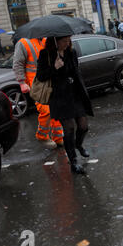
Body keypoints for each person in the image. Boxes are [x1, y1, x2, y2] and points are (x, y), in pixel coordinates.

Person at [36, 36, 94, 174]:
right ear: (55, 41)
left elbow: (76, 70)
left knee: (83, 126)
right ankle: (73, 162)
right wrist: (54, 68)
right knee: (68, 129)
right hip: (59, 98)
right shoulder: (46, 55)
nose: (67, 43)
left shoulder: (71, 52)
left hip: (74, 94)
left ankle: (78, 145)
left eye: (69, 41)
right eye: (64, 41)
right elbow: (41, 76)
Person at [13, 38, 64, 149]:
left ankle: (58, 137)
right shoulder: (24, 43)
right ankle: (42, 136)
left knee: (55, 108)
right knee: (46, 110)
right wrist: (22, 82)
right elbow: (18, 64)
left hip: (49, 79)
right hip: (36, 84)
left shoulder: (47, 40)